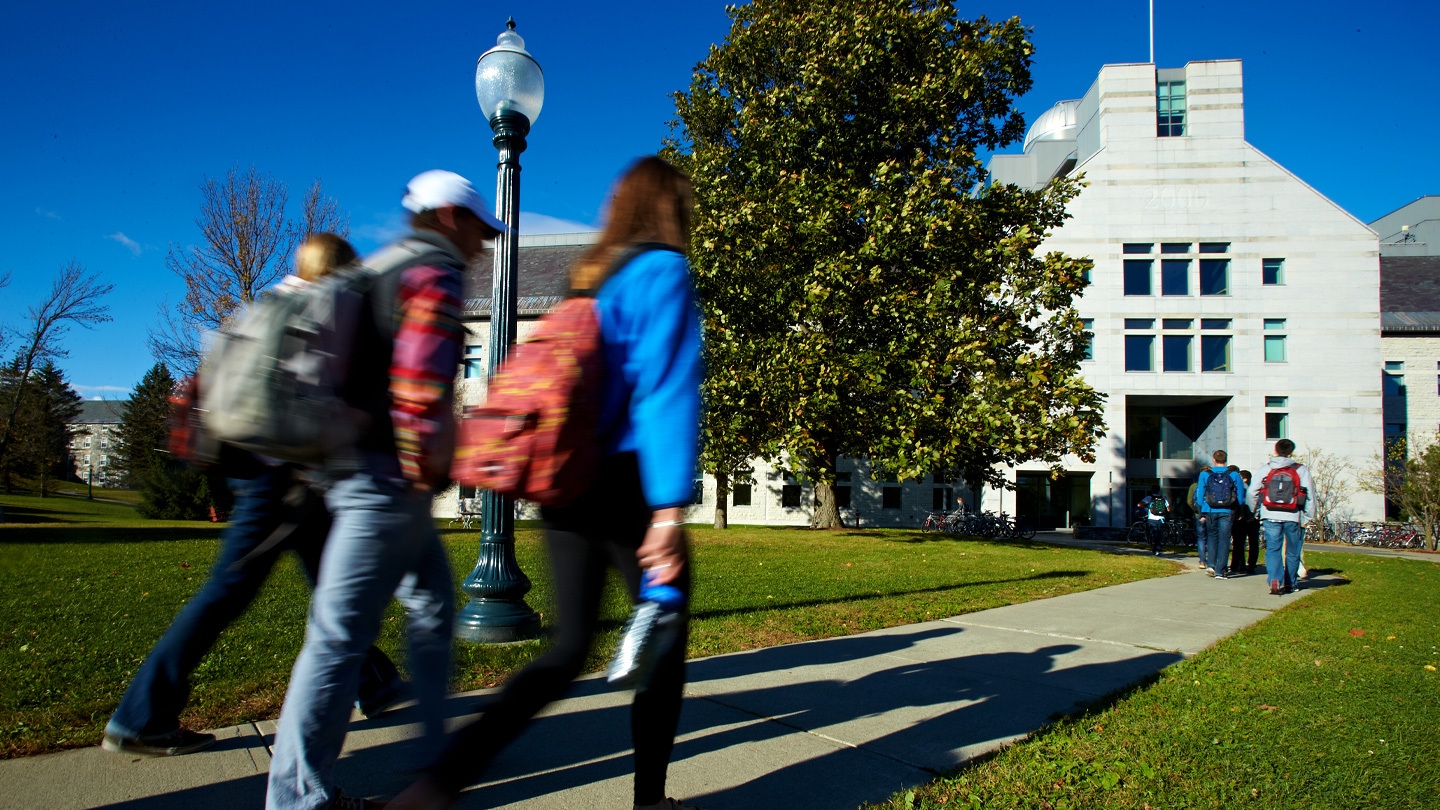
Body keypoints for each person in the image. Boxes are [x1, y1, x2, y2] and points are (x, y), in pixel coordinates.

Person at [392, 156, 704, 810]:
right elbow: (664, 392)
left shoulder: (587, 278)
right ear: (673, 208)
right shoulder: (663, 272)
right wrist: (670, 514)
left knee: (565, 651)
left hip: (567, 482)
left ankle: (435, 786)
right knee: (665, 639)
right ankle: (651, 801)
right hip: (629, 485)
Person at [102, 234, 404, 758]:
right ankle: (140, 714)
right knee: (229, 591)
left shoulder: (263, 303)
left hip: (250, 463)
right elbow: (318, 392)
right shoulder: (322, 305)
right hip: (283, 474)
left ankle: (374, 682)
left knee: (331, 579)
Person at [265, 172, 504, 810]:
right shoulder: (433, 269)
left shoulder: (377, 267)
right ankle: (297, 801)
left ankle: (433, 761)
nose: (482, 244)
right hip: (388, 482)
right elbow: (421, 379)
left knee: (430, 605)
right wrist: (425, 464)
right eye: (479, 229)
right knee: (340, 636)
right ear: (450, 216)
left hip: (358, 471)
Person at [1249, 439, 1315, 595]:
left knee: (1273, 548)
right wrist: (1307, 516)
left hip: (1270, 514)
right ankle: (1290, 583)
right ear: (1291, 452)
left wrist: (1254, 510)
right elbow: (1310, 494)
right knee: (1292, 551)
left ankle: (1274, 578)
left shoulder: (1266, 468)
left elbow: (1252, 491)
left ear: (1276, 450)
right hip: (1293, 516)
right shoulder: (1301, 470)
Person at [1196, 450, 1246, 579]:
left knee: (1212, 537)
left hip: (1210, 510)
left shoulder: (1205, 474)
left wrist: (1201, 511)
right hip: (1227, 510)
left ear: (1213, 459)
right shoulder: (1234, 474)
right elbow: (1240, 495)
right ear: (1226, 459)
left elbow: (1200, 494)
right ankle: (1220, 570)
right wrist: (1239, 510)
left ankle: (1211, 565)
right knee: (1224, 539)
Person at [1232, 468, 1260, 575]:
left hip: (1241, 519)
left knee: (1238, 543)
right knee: (1253, 543)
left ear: (1245, 478)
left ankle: (1239, 564)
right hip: (1253, 519)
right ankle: (1251, 565)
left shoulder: (1241, 488)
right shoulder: (1256, 488)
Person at [1142, 487, 1167, 554]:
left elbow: (1140, 504)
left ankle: (1157, 550)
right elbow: (1169, 508)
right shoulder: (1163, 498)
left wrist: (1145, 506)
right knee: (1158, 534)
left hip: (1152, 518)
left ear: (1151, 490)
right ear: (1159, 491)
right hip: (1161, 519)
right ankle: (1157, 549)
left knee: (1155, 534)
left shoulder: (1149, 498)